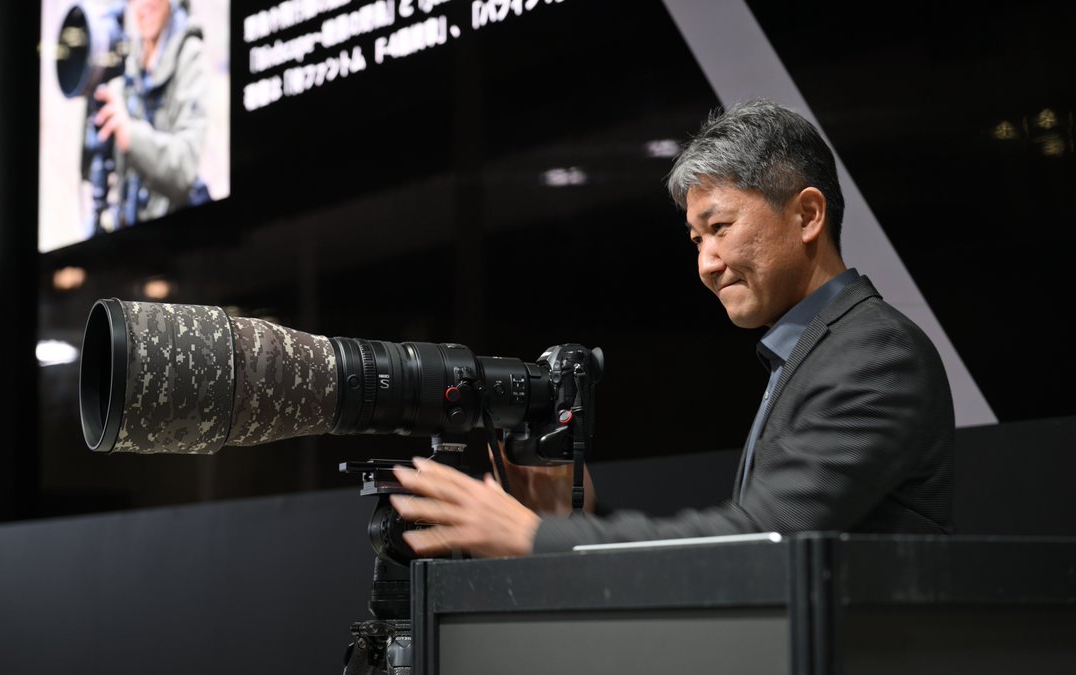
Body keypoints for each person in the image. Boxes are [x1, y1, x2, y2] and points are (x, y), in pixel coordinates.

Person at [390, 99, 955, 557]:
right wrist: (581, 517)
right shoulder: (820, 348)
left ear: (807, 215)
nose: (706, 263)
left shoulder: (875, 350)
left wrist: (535, 538)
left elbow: (759, 541)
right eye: (696, 239)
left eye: (721, 227)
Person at [88, 0, 210, 228]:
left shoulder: (190, 54)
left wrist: (130, 135)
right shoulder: (130, 62)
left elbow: (184, 169)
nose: (144, 5)